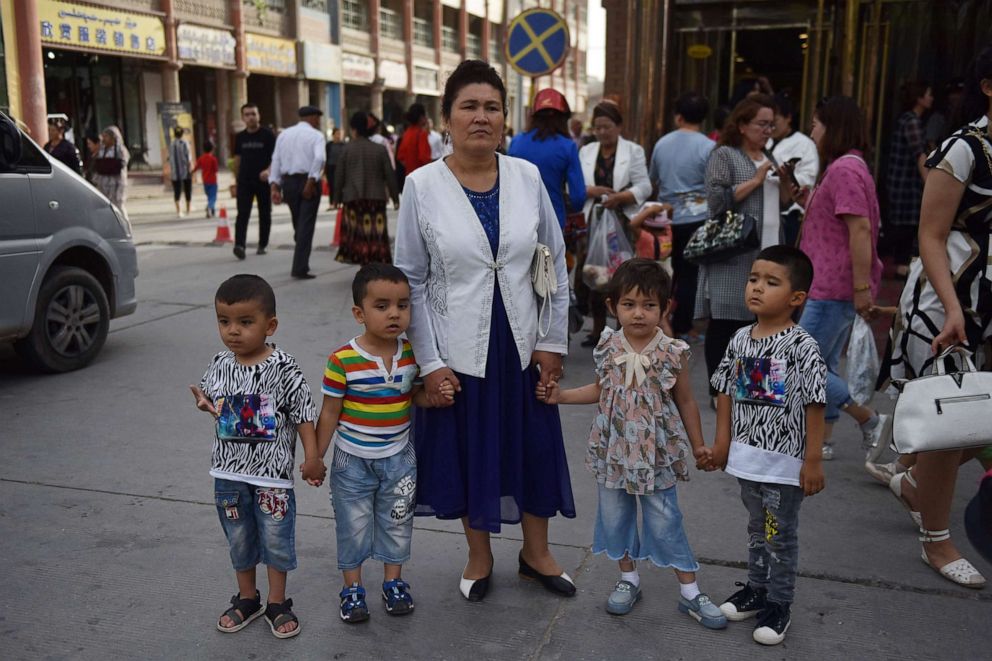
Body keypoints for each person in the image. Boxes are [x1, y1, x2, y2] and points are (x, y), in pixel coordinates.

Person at [393, 59, 574, 603]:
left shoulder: (527, 177)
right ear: (446, 118)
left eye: (491, 107)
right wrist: (429, 362)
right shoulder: (420, 186)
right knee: (472, 450)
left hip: (523, 341)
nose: (480, 117)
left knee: (535, 447)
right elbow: (411, 282)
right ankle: (479, 554)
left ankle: (536, 554)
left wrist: (553, 341)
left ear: (505, 118)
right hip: (458, 345)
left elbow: (554, 262)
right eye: (468, 106)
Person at [536, 259, 727, 628]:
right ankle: (628, 579)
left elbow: (685, 400)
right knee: (616, 515)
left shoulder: (673, 351)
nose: (639, 313)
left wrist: (699, 444)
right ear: (612, 306)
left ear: (665, 307)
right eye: (629, 304)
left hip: (655, 451)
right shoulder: (608, 344)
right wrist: (561, 396)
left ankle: (690, 591)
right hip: (615, 449)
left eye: (649, 305)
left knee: (665, 518)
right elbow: (600, 389)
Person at [878, 45, 992, 589]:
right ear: (988, 85)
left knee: (978, 420)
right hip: (951, 300)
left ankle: (918, 482)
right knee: (952, 421)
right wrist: (952, 309)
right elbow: (931, 234)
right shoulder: (963, 148)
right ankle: (937, 542)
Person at [314, 264, 454, 623]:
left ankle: (394, 583)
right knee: (353, 525)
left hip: (399, 458)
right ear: (359, 313)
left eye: (403, 305)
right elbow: (330, 412)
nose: (394, 313)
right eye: (382, 305)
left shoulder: (414, 355)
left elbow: (414, 398)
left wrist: (435, 397)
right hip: (352, 460)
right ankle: (352, 589)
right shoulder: (342, 360)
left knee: (397, 521)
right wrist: (315, 456)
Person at [188, 274, 323, 639]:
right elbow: (215, 402)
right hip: (229, 473)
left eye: (245, 322)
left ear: (270, 324)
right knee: (239, 537)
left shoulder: (284, 367)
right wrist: (206, 405)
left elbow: (303, 413)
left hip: (272, 479)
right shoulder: (220, 363)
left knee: (276, 539)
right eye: (224, 321)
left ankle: (278, 602)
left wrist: (312, 457)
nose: (233, 331)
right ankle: (247, 597)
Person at [710, 245, 827, 646]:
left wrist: (812, 461)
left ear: (797, 298)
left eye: (771, 282)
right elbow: (724, 391)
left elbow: (815, 404)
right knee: (757, 529)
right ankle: (756, 589)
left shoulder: (802, 346)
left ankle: (779, 603)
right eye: (754, 279)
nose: (757, 288)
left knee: (779, 534)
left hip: (784, 469)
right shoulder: (740, 338)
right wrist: (723, 443)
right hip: (748, 462)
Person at [791, 96, 888, 464]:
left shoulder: (845, 169)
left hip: (832, 286)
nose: (812, 131)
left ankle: (870, 419)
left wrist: (862, 289)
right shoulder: (847, 167)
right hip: (829, 284)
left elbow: (860, 229)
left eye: (816, 123)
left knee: (802, 363)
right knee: (823, 363)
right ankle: (823, 441)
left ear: (833, 126)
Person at [697, 94, 780, 404]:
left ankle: (755, 390)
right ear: (743, 125)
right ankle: (719, 391)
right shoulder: (725, 156)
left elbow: (786, 202)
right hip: (733, 254)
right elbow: (716, 202)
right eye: (761, 123)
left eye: (772, 124)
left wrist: (787, 185)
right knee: (727, 322)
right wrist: (757, 180)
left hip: (770, 251)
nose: (768, 130)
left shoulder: (772, 156)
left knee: (764, 322)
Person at [577, 101, 652, 346]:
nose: (602, 132)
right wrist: (593, 190)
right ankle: (597, 329)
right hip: (595, 218)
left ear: (619, 127)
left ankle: (623, 329)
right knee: (594, 273)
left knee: (623, 275)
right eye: (597, 128)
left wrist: (620, 197)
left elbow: (644, 186)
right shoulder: (587, 151)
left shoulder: (633, 151)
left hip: (621, 219)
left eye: (607, 127)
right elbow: (576, 186)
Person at [648, 92, 715, 342]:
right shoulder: (708, 147)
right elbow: (712, 185)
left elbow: (653, 177)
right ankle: (683, 326)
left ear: (678, 116)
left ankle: (660, 321)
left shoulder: (662, 143)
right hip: (696, 218)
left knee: (665, 271)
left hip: (665, 218)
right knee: (689, 274)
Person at [508, 88, 586, 229]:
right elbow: (578, 198)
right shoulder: (568, 146)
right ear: (563, 119)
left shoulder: (516, 142)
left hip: (516, 221)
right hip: (552, 222)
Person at [332, 111, 400, 265]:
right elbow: (390, 175)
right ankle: (375, 262)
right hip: (376, 198)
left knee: (357, 234)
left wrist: (335, 199)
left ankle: (362, 262)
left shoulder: (346, 150)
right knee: (376, 233)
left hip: (352, 198)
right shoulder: (379, 149)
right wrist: (395, 198)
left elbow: (339, 177)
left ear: (353, 129)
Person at [269, 106, 326, 280]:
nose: (318, 121)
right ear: (312, 118)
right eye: (317, 118)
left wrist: (274, 185)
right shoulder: (317, 136)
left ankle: (301, 255)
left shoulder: (284, 135)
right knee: (305, 225)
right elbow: (319, 158)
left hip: (289, 183)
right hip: (307, 181)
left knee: (299, 222)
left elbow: (276, 159)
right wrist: (311, 182)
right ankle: (300, 267)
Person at [885, 81, 933, 278]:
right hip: (905, 185)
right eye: (929, 94)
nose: (932, 98)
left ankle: (900, 264)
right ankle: (900, 266)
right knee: (906, 226)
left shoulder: (908, 119)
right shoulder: (912, 121)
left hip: (903, 183)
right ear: (919, 98)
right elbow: (919, 155)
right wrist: (930, 184)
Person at [767, 93, 819, 247]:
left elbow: (808, 180)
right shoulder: (766, 142)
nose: (771, 127)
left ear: (788, 117)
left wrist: (781, 178)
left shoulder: (805, 144)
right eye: (767, 123)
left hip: (790, 216)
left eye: (774, 121)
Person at [233, 103, 276, 259]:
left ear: (259, 116)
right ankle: (239, 245)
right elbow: (237, 159)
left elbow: (276, 158)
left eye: (253, 114)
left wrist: (269, 171)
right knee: (242, 213)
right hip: (245, 181)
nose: (251, 117)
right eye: (247, 114)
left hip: (263, 181)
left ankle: (262, 244)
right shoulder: (240, 137)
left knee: (265, 213)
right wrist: (236, 179)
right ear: (243, 117)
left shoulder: (268, 135)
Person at [91, 125, 129, 214]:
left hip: (117, 183)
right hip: (103, 182)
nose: (104, 139)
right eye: (103, 136)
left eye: (106, 136)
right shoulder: (102, 149)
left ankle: (123, 225)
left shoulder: (120, 149)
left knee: (118, 206)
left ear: (113, 137)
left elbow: (123, 163)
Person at [396, 103, 432, 178]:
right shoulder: (421, 134)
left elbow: (400, 157)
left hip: (409, 176)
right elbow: (425, 158)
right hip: (422, 176)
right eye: (425, 116)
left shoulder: (407, 133)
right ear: (421, 117)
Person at [169, 126, 193, 218]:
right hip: (185, 171)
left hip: (175, 172)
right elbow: (188, 157)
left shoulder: (172, 144)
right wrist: (190, 168)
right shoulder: (184, 143)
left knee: (177, 191)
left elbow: (170, 158)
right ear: (182, 134)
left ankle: (179, 211)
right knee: (188, 189)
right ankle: (188, 209)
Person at [193, 140, 219, 218]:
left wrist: (191, 172)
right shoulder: (213, 159)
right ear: (212, 149)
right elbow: (216, 170)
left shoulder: (201, 158)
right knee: (213, 197)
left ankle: (212, 211)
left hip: (205, 181)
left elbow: (196, 167)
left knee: (209, 196)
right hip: (213, 181)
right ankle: (209, 207)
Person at [324, 127, 346, 210]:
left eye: (339, 134)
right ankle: (332, 203)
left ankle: (340, 202)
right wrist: (324, 171)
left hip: (340, 167)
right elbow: (326, 157)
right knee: (332, 185)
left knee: (340, 185)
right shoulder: (329, 145)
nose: (338, 136)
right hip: (330, 167)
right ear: (333, 135)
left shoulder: (343, 145)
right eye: (337, 134)